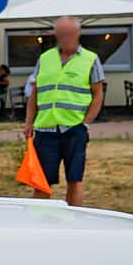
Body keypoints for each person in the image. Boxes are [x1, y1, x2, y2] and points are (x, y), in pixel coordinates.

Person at [24, 15, 105, 206]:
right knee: (41, 182)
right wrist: (29, 121)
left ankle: (75, 224)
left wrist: (86, 122)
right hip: (45, 129)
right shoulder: (45, 58)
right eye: (61, 34)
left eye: (69, 34)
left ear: (78, 34)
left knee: (74, 179)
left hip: (74, 128)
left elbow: (98, 94)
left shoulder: (90, 59)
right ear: (56, 35)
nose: (65, 38)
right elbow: (34, 93)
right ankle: (38, 223)